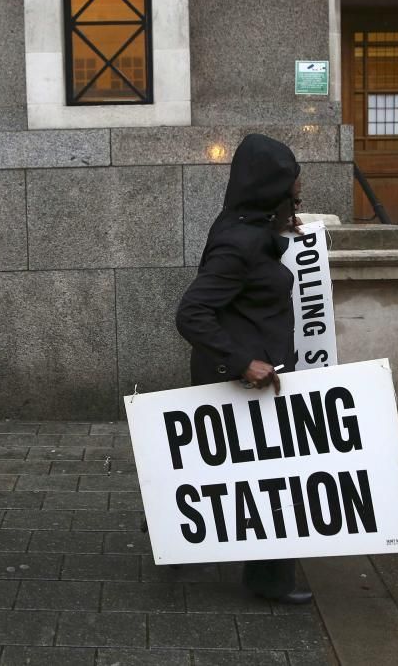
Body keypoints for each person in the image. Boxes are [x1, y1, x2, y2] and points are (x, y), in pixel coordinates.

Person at [175, 133, 313, 605]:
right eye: (295, 185)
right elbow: (191, 312)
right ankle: (270, 580)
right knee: (271, 481)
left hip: (255, 380)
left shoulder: (245, 227)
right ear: (271, 187)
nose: (300, 192)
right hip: (246, 383)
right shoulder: (241, 241)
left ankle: (173, 535)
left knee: (242, 478)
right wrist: (241, 363)